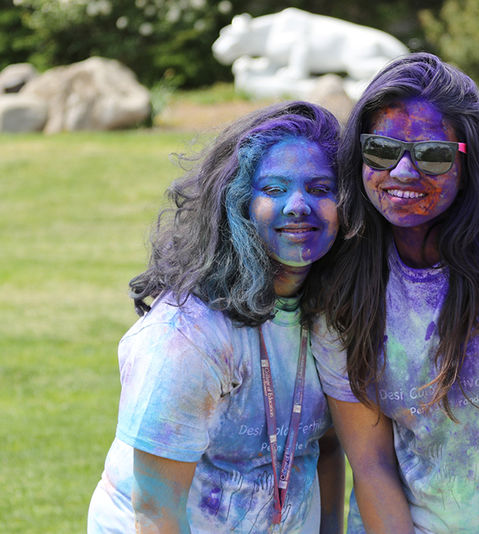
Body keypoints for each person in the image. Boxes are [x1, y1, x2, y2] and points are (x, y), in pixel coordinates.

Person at [311, 52, 479, 533]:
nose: (400, 173)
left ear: (468, 163)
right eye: (380, 150)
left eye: (432, 155)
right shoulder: (340, 273)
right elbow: (370, 462)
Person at [87, 102, 345, 533]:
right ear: (238, 202)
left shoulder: (332, 315)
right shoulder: (185, 335)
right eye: (275, 189)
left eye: (320, 188)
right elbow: (154, 510)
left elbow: (328, 450)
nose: (299, 205)